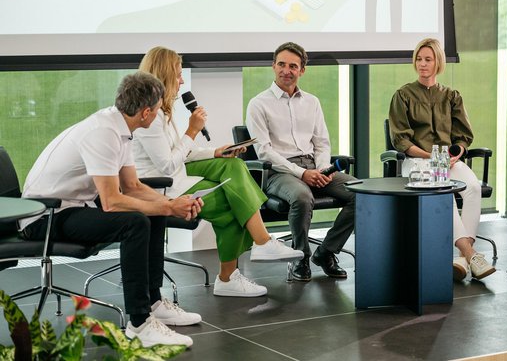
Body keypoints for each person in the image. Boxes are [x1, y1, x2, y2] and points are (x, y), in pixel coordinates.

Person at [20, 72, 201, 348]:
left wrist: (174, 204)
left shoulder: (120, 128)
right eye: (158, 109)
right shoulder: (103, 132)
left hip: (70, 207)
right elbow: (111, 201)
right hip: (45, 216)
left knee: (155, 212)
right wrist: (167, 205)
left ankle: (153, 301)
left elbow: (132, 185)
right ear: (146, 112)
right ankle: (139, 323)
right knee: (135, 222)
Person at [133, 46, 303, 297]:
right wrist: (192, 130)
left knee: (233, 164)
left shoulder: (163, 110)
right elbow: (167, 165)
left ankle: (260, 245)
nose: (181, 80)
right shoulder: (149, 115)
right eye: (178, 75)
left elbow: (182, 152)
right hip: (159, 185)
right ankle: (233, 272)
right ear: (165, 75)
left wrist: (215, 151)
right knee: (230, 201)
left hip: (176, 171)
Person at [246, 42, 356, 282]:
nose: (287, 70)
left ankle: (326, 252)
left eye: (293, 66)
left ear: (302, 71)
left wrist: (323, 169)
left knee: (362, 193)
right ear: (273, 66)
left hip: (313, 166)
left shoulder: (312, 102)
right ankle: (301, 257)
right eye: (282, 64)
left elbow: (322, 143)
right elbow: (264, 152)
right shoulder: (258, 104)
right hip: (278, 172)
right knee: (302, 197)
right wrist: (301, 173)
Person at [388, 37, 495, 281]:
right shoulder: (403, 95)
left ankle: (460, 261)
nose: (422, 64)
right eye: (419, 59)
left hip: (448, 162)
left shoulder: (451, 96)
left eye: (428, 59)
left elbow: (463, 136)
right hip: (417, 163)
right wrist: (431, 156)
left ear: (438, 63)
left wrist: (456, 153)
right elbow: (401, 140)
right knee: (444, 191)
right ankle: (470, 254)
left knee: (473, 188)